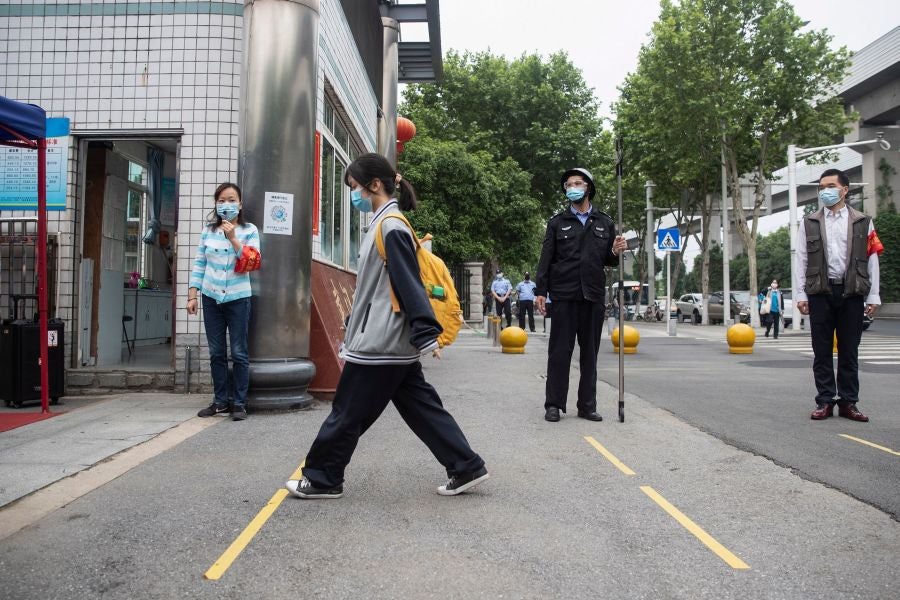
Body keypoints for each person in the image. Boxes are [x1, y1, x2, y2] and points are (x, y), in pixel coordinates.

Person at [286, 153, 488, 499]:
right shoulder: (384, 225)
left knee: (347, 412)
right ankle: (465, 465)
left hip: (382, 341)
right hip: (388, 339)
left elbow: (408, 283)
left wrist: (425, 333)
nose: (354, 195)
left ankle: (322, 477)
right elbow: (374, 289)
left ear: (374, 185)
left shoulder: (390, 227)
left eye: (354, 188)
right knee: (421, 408)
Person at [535, 167, 627, 422]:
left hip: (593, 296)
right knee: (559, 352)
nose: (572, 187)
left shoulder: (605, 223)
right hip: (564, 295)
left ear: (588, 188)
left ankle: (587, 405)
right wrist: (541, 292)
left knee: (590, 354)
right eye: (568, 184)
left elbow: (609, 260)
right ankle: (554, 404)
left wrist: (617, 251)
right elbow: (546, 259)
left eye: (578, 183)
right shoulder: (557, 223)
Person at [795, 168, 882, 422]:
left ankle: (848, 402)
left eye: (830, 186)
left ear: (844, 190)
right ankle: (824, 400)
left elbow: (872, 258)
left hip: (851, 292)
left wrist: (873, 296)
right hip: (820, 292)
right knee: (821, 351)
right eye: (821, 187)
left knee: (849, 351)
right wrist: (801, 294)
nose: (825, 191)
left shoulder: (863, 221)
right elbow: (801, 259)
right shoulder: (809, 222)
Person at [188, 182, 261, 421]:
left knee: (239, 352)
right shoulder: (207, 231)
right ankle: (220, 401)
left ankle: (239, 403)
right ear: (216, 204)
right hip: (211, 297)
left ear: (240, 204)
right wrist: (192, 295)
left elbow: (252, 262)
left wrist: (233, 239)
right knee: (216, 352)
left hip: (238, 298)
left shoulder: (249, 230)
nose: (226, 204)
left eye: (231, 200)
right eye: (221, 200)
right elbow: (200, 263)